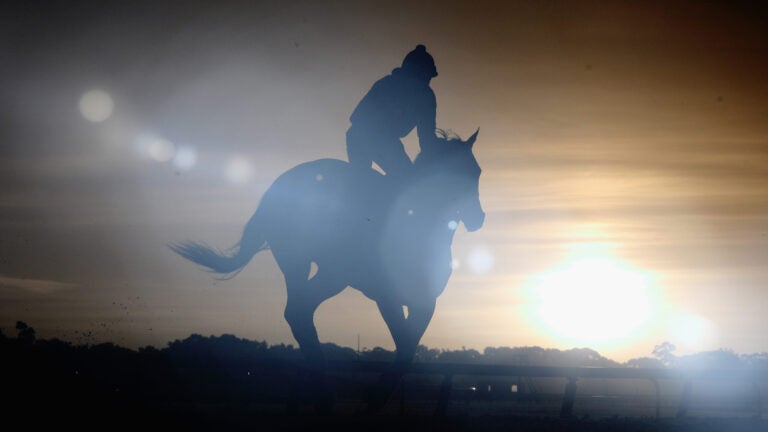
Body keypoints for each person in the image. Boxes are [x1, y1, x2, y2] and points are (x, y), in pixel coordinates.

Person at [346, 44, 439, 179]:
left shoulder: (385, 82)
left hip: (358, 135)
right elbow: (427, 137)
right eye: (428, 76)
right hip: (381, 140)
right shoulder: (425, 95)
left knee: (361, 179)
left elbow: (357, 117)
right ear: (422, 74)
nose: (428, 80)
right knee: (407, 180)